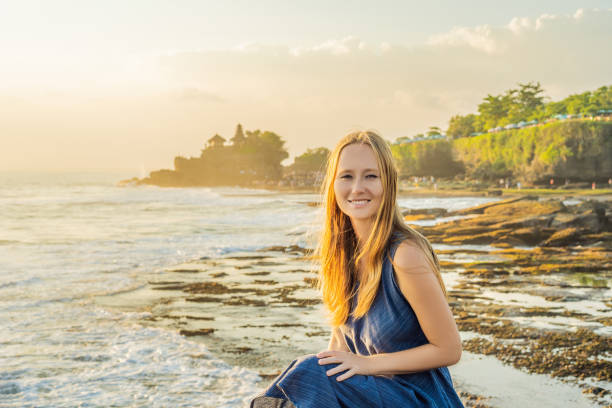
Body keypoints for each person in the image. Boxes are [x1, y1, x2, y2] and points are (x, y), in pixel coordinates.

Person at [250, 131, 464, 407]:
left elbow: (449, 349)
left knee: (307, 372)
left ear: (388, 183)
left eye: (371, 176)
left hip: (418, 399)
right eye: (347, 176)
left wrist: (367, 364)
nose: (357, 188)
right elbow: (338, 350)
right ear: (334, 185)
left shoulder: (405, 254)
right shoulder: (342, 258)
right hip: (371, 395)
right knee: (309, 373)